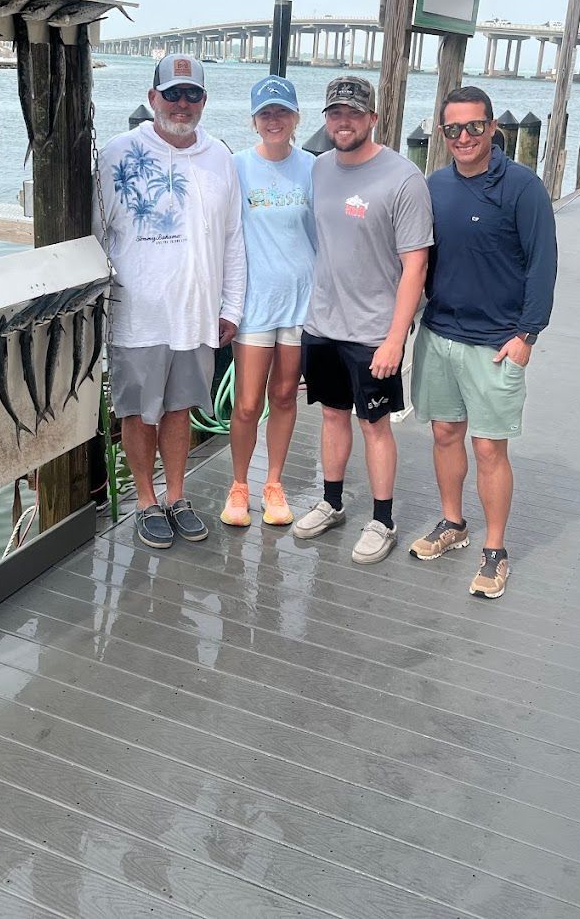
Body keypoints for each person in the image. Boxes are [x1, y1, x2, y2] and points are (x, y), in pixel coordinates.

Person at [409, 86, 558, 599]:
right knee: (445, 435)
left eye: (475, 126)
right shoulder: (434, 186)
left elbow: (543, 265)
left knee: (490, 447)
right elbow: (414, 260)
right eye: (453, 129)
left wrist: (527, 336)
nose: (465, 137)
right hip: (440, 334)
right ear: (443, 134)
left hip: (496, 342)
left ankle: (495, 550)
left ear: (493, 128)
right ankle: (453, 523)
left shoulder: (523, 187)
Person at [93, 53, 246, 550]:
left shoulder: (220, 157)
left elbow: (233, 238)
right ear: (152, 97)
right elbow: (97, 235)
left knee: (180, 408)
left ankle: (176, 496)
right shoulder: (117, 153)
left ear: (204, 101)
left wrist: (232, 306)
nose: (182, 104)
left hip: (196, 312)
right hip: (136, 314)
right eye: (173, 93)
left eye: (192, 94)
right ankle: (144, 500)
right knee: (138, 412)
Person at [291, 76, 432, 564]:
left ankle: (383, 519)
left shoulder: (403, 178)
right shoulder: (318, 169)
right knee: (331, 414)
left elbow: (416, 263)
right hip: (323, 323)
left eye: (353, 113)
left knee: (374, 423)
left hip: (374, 331)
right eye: (335, 113)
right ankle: (332, 503)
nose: (343, 122)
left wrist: (396, 338)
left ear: (373, 118)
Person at [222, 75, 317, 528]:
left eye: (282, 112)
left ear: (296, 118)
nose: (274, 120)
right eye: (265, 113)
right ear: (254, 120)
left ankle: (273, 483)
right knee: (246, 403)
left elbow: (329, 234)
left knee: (283, 396)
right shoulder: (236, 166)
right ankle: (239, 484)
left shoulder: (314, 167)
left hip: (301, 302)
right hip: (255, 302)